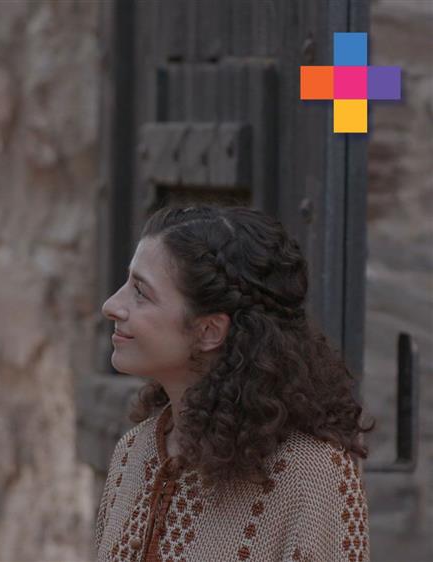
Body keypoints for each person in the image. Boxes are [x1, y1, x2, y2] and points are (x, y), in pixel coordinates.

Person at [95, 206, 372, 562]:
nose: (111, 305)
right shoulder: (133, 452)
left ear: (209, 330)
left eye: (140, 292)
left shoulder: (312, 477)